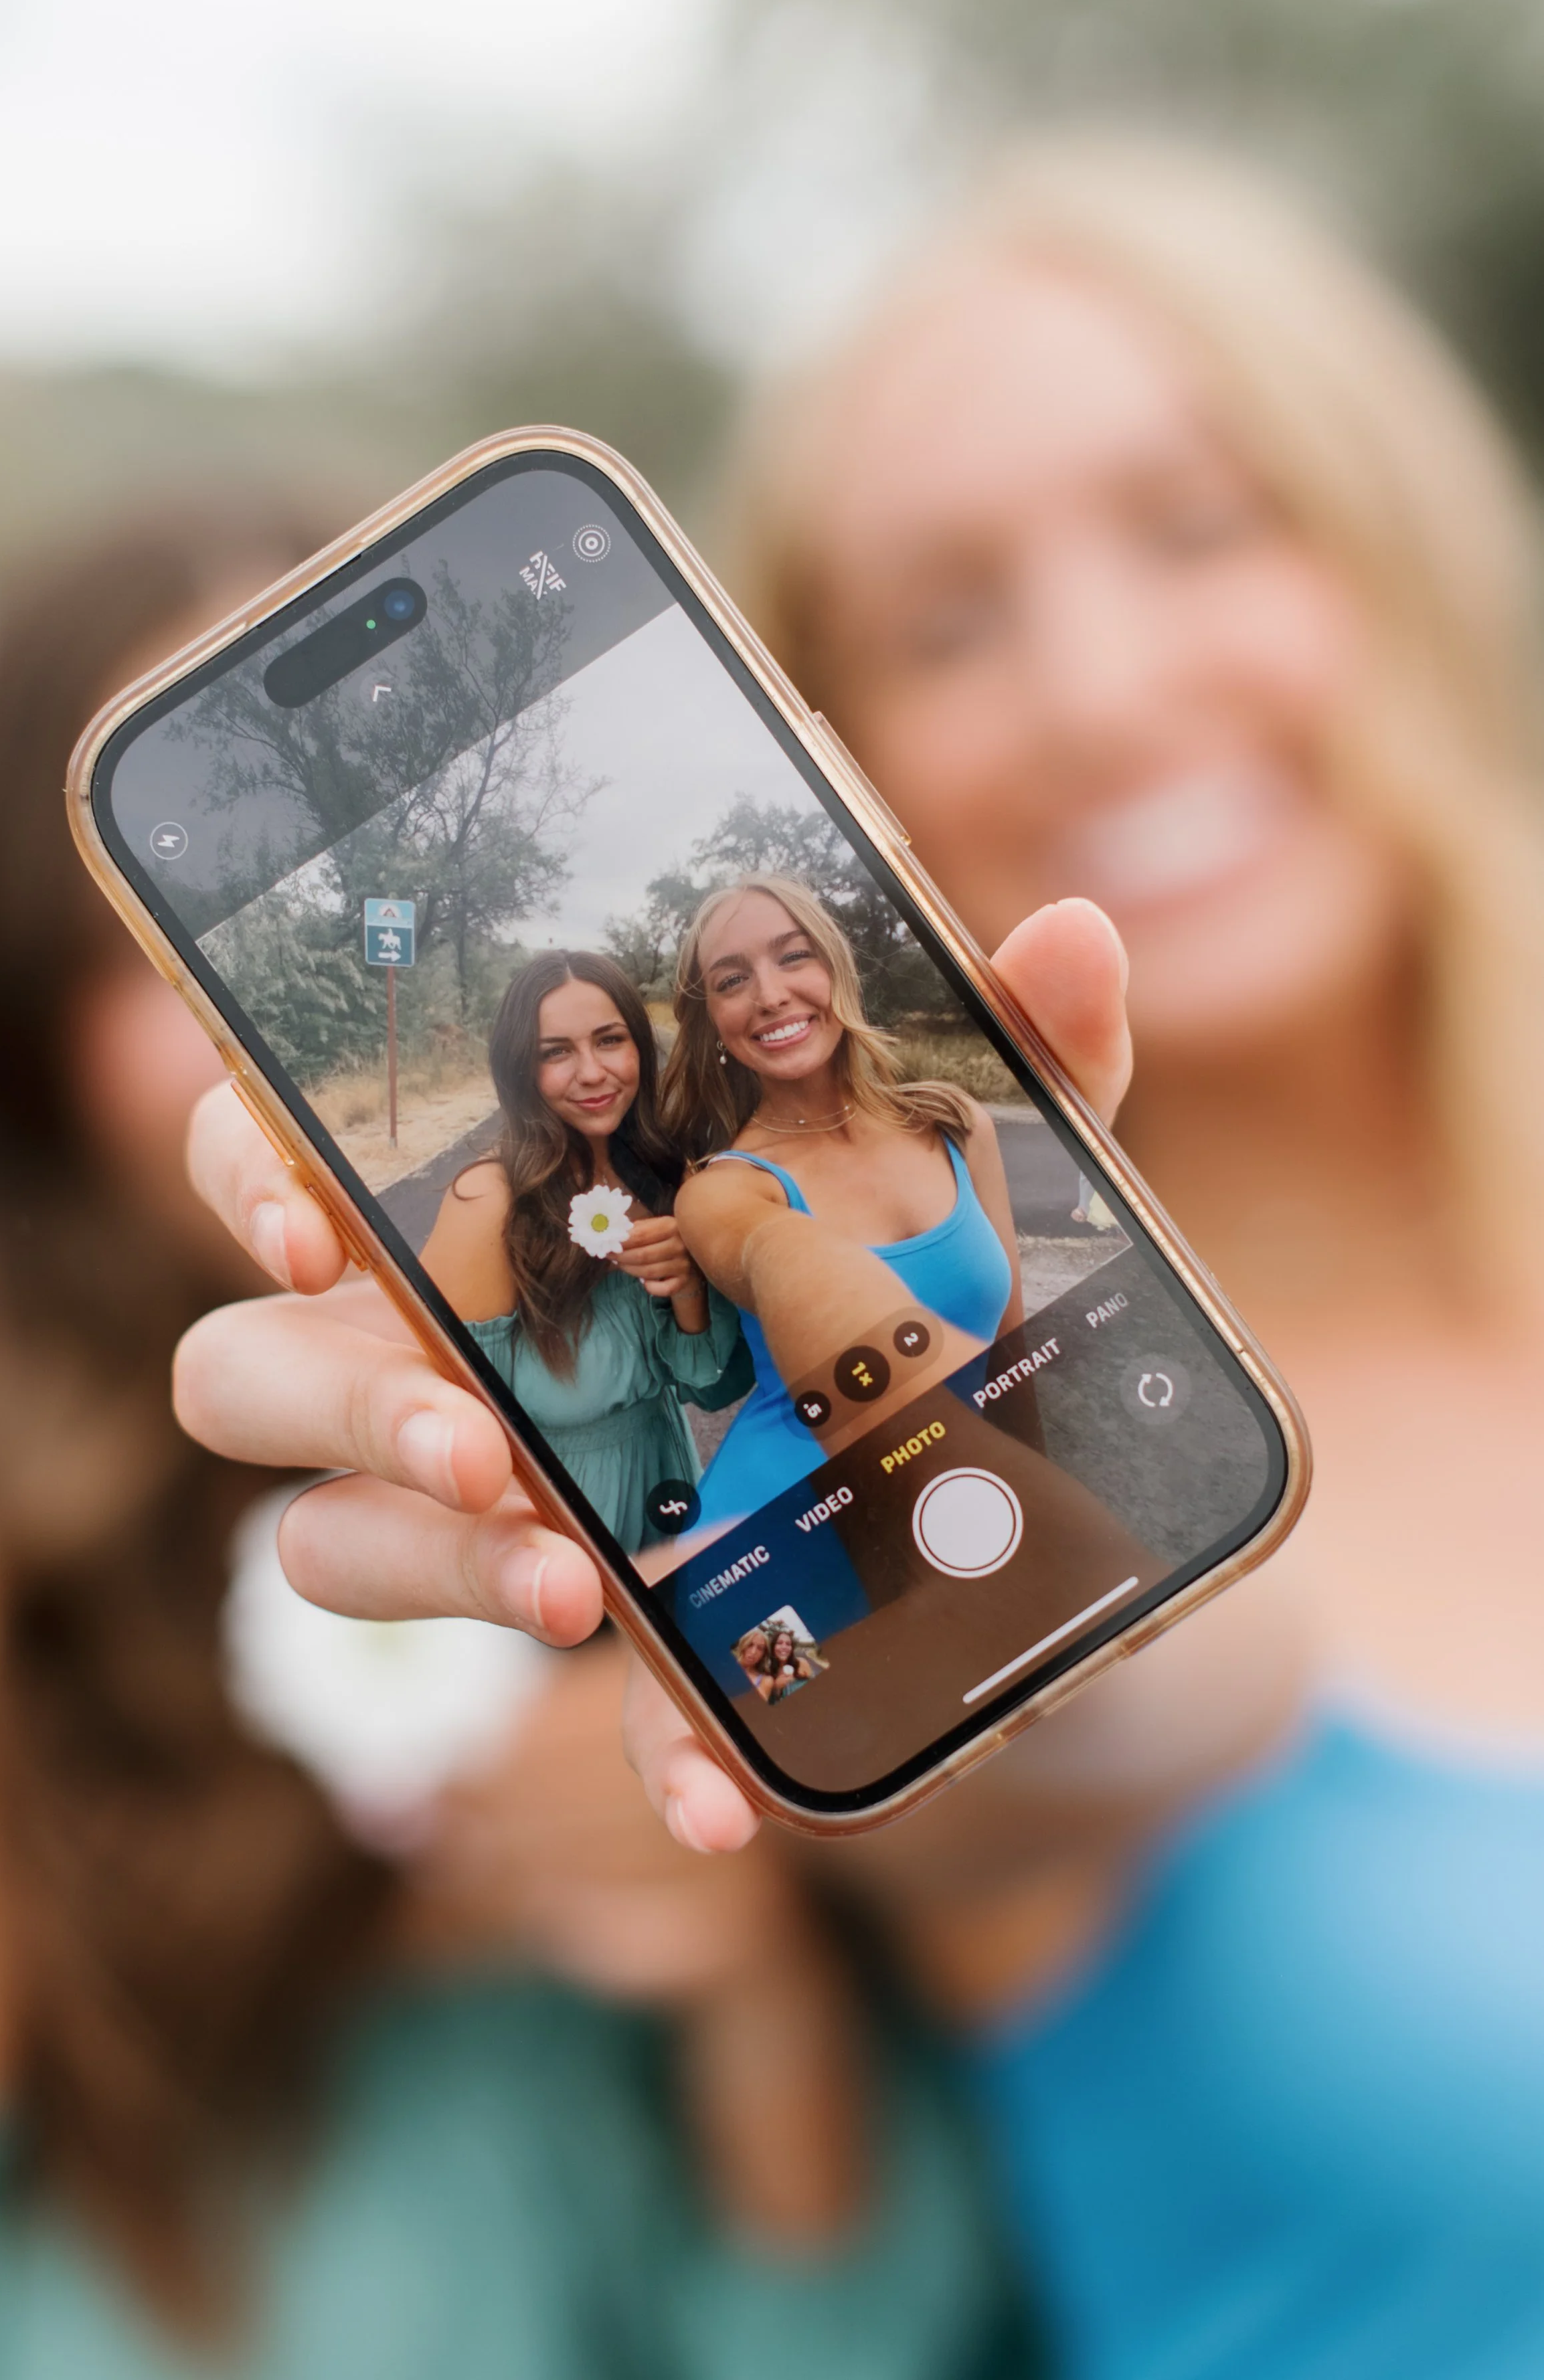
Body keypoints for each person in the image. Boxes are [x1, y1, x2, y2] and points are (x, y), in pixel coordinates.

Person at [0, 520, 1011, 2380]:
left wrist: (750, 1980)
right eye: (172, 934)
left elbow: (879, 2327)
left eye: (364, 896)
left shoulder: (698, 1396)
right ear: (13, 1028)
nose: (257, 1007)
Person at [715, 135, 1544, 2379]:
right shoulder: (943, 1408)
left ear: (1400, 557)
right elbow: (1081, 1723)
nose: (1096, 687)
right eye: (947, 624)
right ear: (836, 788)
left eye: (1199, 525)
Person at [661, 875, 1019, 1526]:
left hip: (964, 1504)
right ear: (711, 1020)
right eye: (731, 980)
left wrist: (1034, 1495)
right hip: (782, 1540)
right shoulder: (722, 1189)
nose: (770, 995)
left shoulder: (956, 1125)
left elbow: (1015, 1359)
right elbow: (775, 1256)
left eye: (793, 956)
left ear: (837, 970)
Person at [422, 949, 750, 1552]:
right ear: (521, 1068)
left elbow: (712, 1389)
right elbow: (445, 1420)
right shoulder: (490, 1201)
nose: (593, 1072)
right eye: (557, 1052)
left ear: (639, 1050)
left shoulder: (668, 1174)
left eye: (610, 1040)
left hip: (672, 1487)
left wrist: (688, 1287)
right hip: (564, 1521)